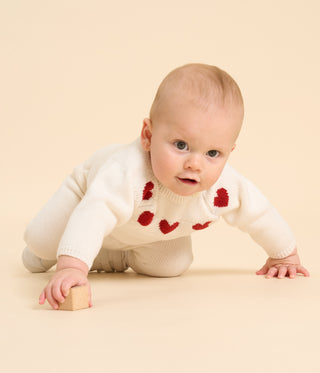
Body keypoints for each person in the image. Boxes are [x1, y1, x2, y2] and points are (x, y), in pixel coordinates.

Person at [22, 63, 309, 310]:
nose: (195, 164)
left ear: (230, 151)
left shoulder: (224, 186)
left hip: (149, 231)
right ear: (148, 136)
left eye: (213, 153)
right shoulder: (125, 173)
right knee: (42, 242)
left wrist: (285, 254)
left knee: (171, 267)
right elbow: (94, 213)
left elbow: (259, 212)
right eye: (181, 145)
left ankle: (111, 255)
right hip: (85, 197)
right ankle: (67, 254)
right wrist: (72, 267)